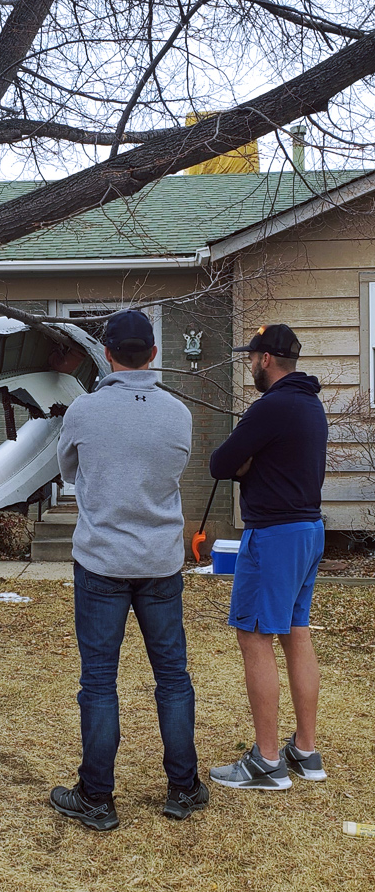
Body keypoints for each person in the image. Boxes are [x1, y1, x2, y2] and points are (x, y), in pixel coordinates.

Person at [49, 309, 208, 830]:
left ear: (108, 354)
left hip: (101, 562)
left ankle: (97, 798)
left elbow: (68, 470)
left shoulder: (85, 412)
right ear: (155, 354)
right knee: (172, 677)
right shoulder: (177, 413)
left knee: (99, 682)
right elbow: (173, 469)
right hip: (161, 562)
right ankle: (183, 787)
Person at [209, 324, 328, 789]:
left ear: (265, 359)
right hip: (309, 531)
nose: (249, 366)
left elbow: (220, 465)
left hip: (274, 535)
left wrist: (248, 462)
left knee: (254, 636)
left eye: (251, 358)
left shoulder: (270, 407)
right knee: (297, 633)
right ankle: (306, 750)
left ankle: (266, 760)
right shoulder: (310, 405)